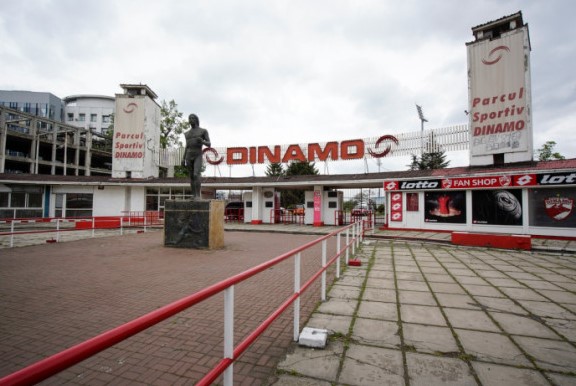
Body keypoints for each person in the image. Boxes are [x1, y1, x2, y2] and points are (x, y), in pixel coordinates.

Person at [182, 114, 211, 199]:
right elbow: (186, 146)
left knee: (196, 174)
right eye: (189, 118)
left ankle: (198, 195)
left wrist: (202, 141)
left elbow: (209, 144)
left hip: (198, 154)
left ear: (196, 119)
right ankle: (193, 195)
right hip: (188, 155)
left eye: (193, 118)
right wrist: (183, 158)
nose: (191, 119)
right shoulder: (187, 133)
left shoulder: (203, 131)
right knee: (191, 176)